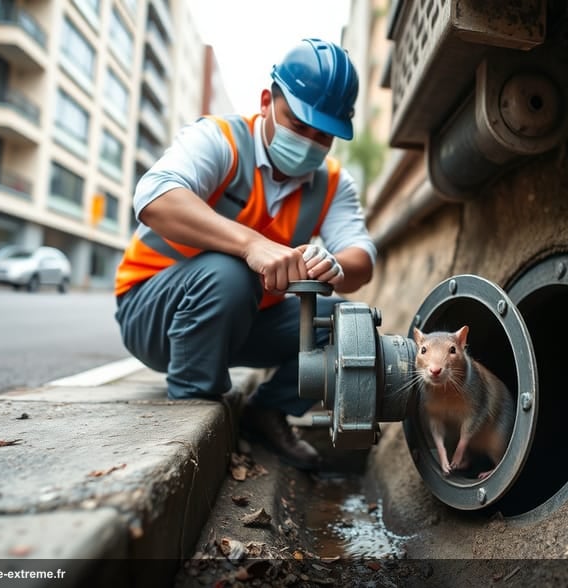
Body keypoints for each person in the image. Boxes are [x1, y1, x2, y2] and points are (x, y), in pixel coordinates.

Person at [113, 39, 376, 471]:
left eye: (322, 134)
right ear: (268, 101)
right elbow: (154, 198)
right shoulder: (218, 140)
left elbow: (360, 260)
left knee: (347, 326)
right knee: (230, 272)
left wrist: (334, 266)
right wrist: (252, 244)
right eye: (298, 123)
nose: (309, 142)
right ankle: (195, 407)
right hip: (153, 312)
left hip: (245, 317)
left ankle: (266, 413)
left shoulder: (332, 183)